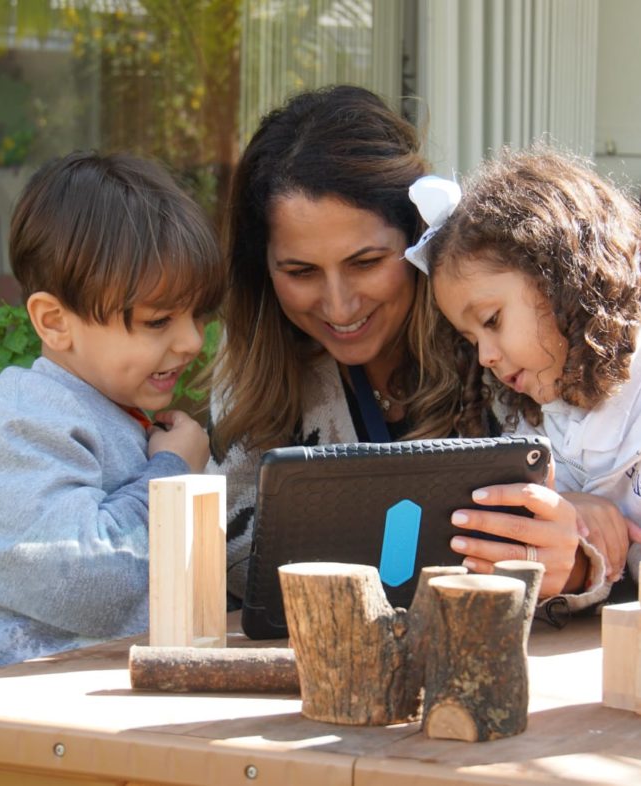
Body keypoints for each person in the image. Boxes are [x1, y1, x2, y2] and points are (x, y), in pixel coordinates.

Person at [208, 86, 606, 611]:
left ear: (420, 238)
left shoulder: (506, 342)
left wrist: (578, 561)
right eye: (300, 272)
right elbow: (231, 559)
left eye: (366, 262)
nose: (340, 305)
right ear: (263, 271)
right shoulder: (254, 372)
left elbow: (610, 532)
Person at [0, 151, 223, 670]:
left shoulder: (126, 414)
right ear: (54, 322)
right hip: (30, 734)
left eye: (197, 315)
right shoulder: (20, 423)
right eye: (159, 321)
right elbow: (88, 583)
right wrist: (172, 475)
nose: (191, 341)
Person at [424, 145, 641, 588]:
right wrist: (572, 511)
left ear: (562, 278)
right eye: (471, 340)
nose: (486, 357)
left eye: (492, 320)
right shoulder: (534, 403)